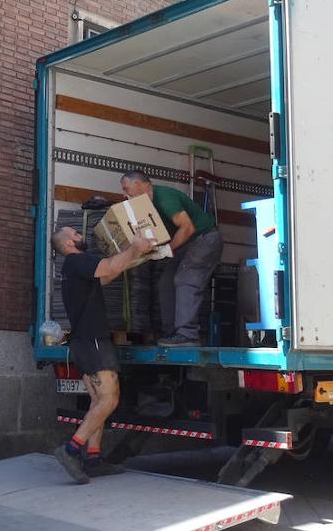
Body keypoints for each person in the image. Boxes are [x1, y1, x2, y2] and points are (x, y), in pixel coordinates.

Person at [51, 226, 153, 484]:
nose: (79, 235)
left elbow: (108, 273)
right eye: (75, 233)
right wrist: (134, 248)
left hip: (83, 342)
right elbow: (107, 267)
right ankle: (71, 449)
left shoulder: (73, 269)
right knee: (109, 399)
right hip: (93, 340)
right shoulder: (77, 261)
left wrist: (134, 254)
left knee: (98, 403)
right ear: (69, 242)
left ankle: (93, 459)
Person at [120, 170, 223, 348]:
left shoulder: (165, 198)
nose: (124, 194)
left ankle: (188, 335)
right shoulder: (146, 207)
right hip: (187, 243)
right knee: (165, 283)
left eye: (126, 188)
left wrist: (168, 249)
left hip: (204, 239)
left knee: (184, 279)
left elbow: (187, 228)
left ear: (139, 184)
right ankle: (171, 333)